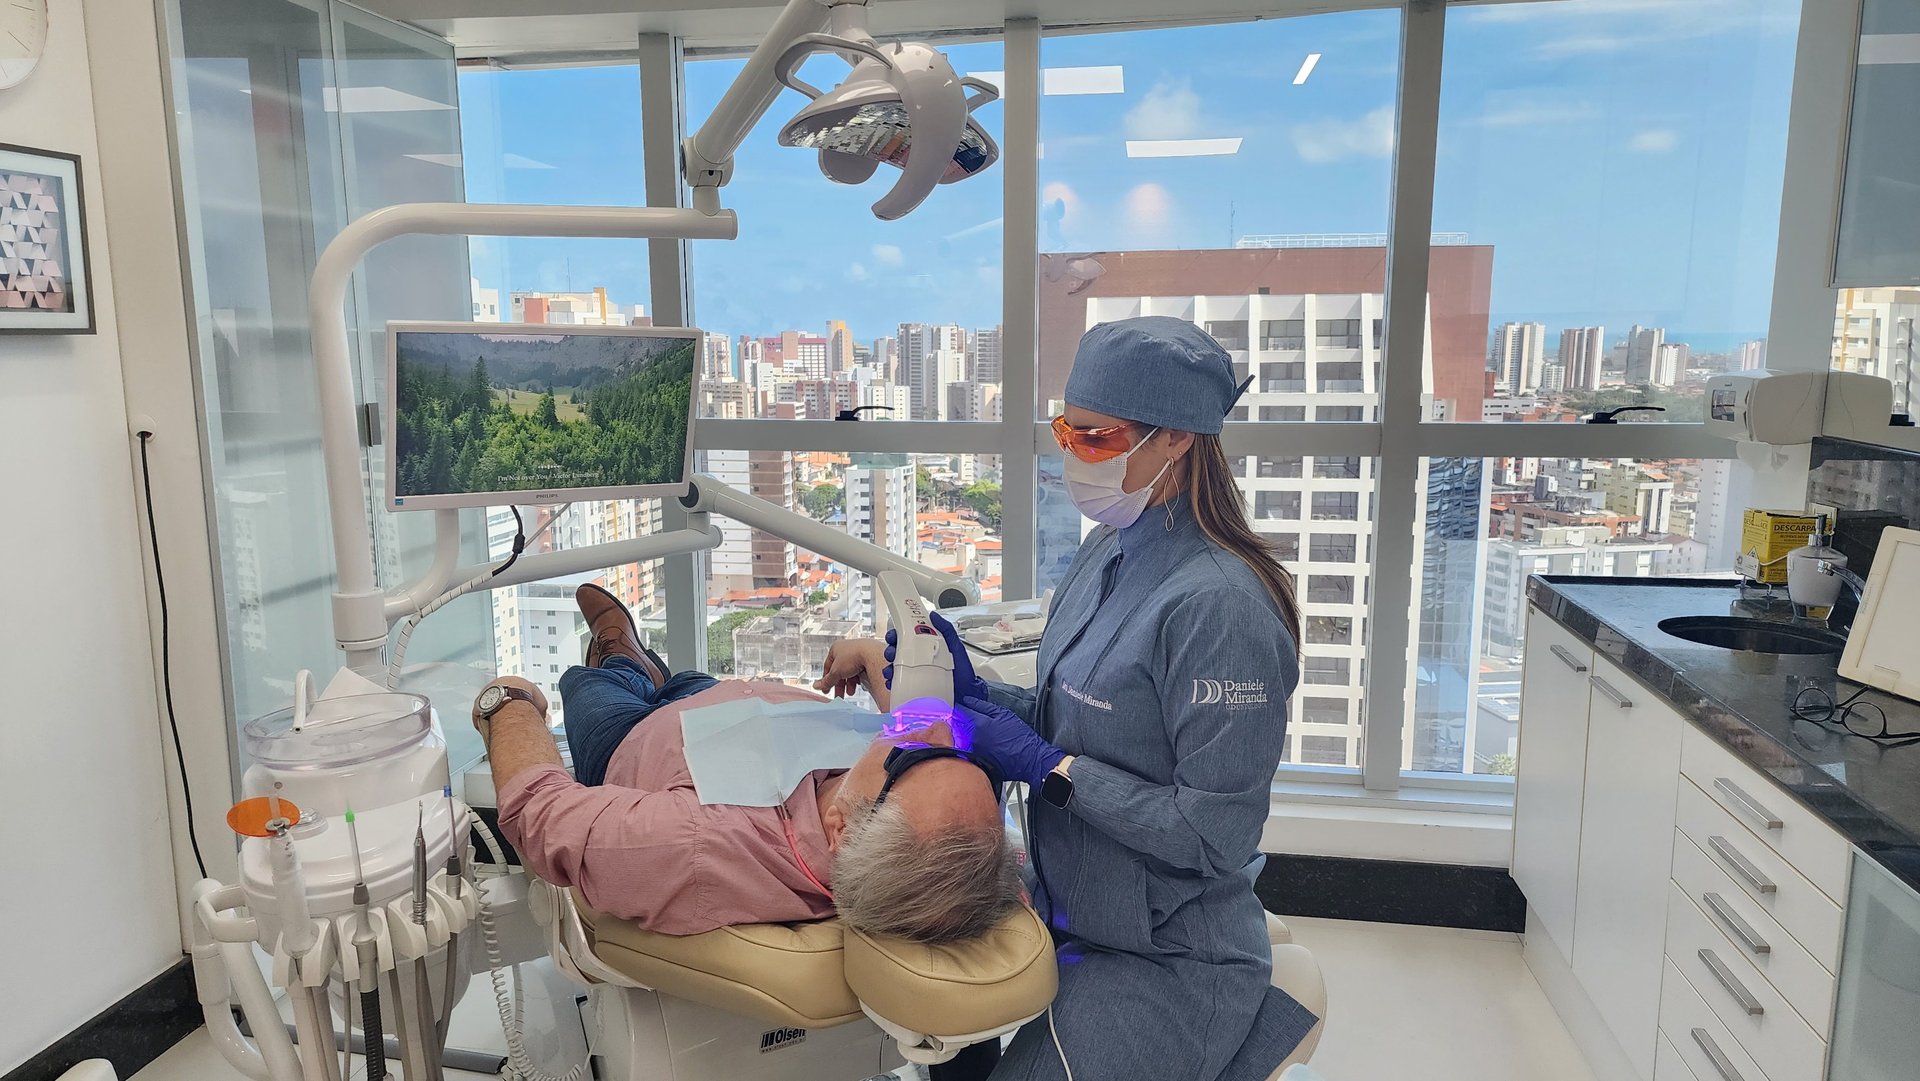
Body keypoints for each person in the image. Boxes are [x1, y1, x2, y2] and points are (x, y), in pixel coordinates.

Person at [823, 316, 1314, 1080]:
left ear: (1176, 439)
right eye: (1065, 430)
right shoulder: (1107, 551)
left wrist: (1053, 768)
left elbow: (1214, 833)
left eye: (1095, 438)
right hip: (1071, 904)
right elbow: (1063, 723)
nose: (1070, 455)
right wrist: (970, 691)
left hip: (1168, 955)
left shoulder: (1221, 609)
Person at [476, 583, 1020, 944]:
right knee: (685, 680)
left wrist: (508, 705)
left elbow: (540, 815)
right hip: (734, 703)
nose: (939, 727)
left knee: (589, 682)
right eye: (960, 752)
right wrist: (876, 656)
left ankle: (619, 653)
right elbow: (921, 732)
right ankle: (647, 666)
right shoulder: (893, 822)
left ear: (840, 830)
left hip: (631, 738)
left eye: (916, 756)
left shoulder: (693, 845)